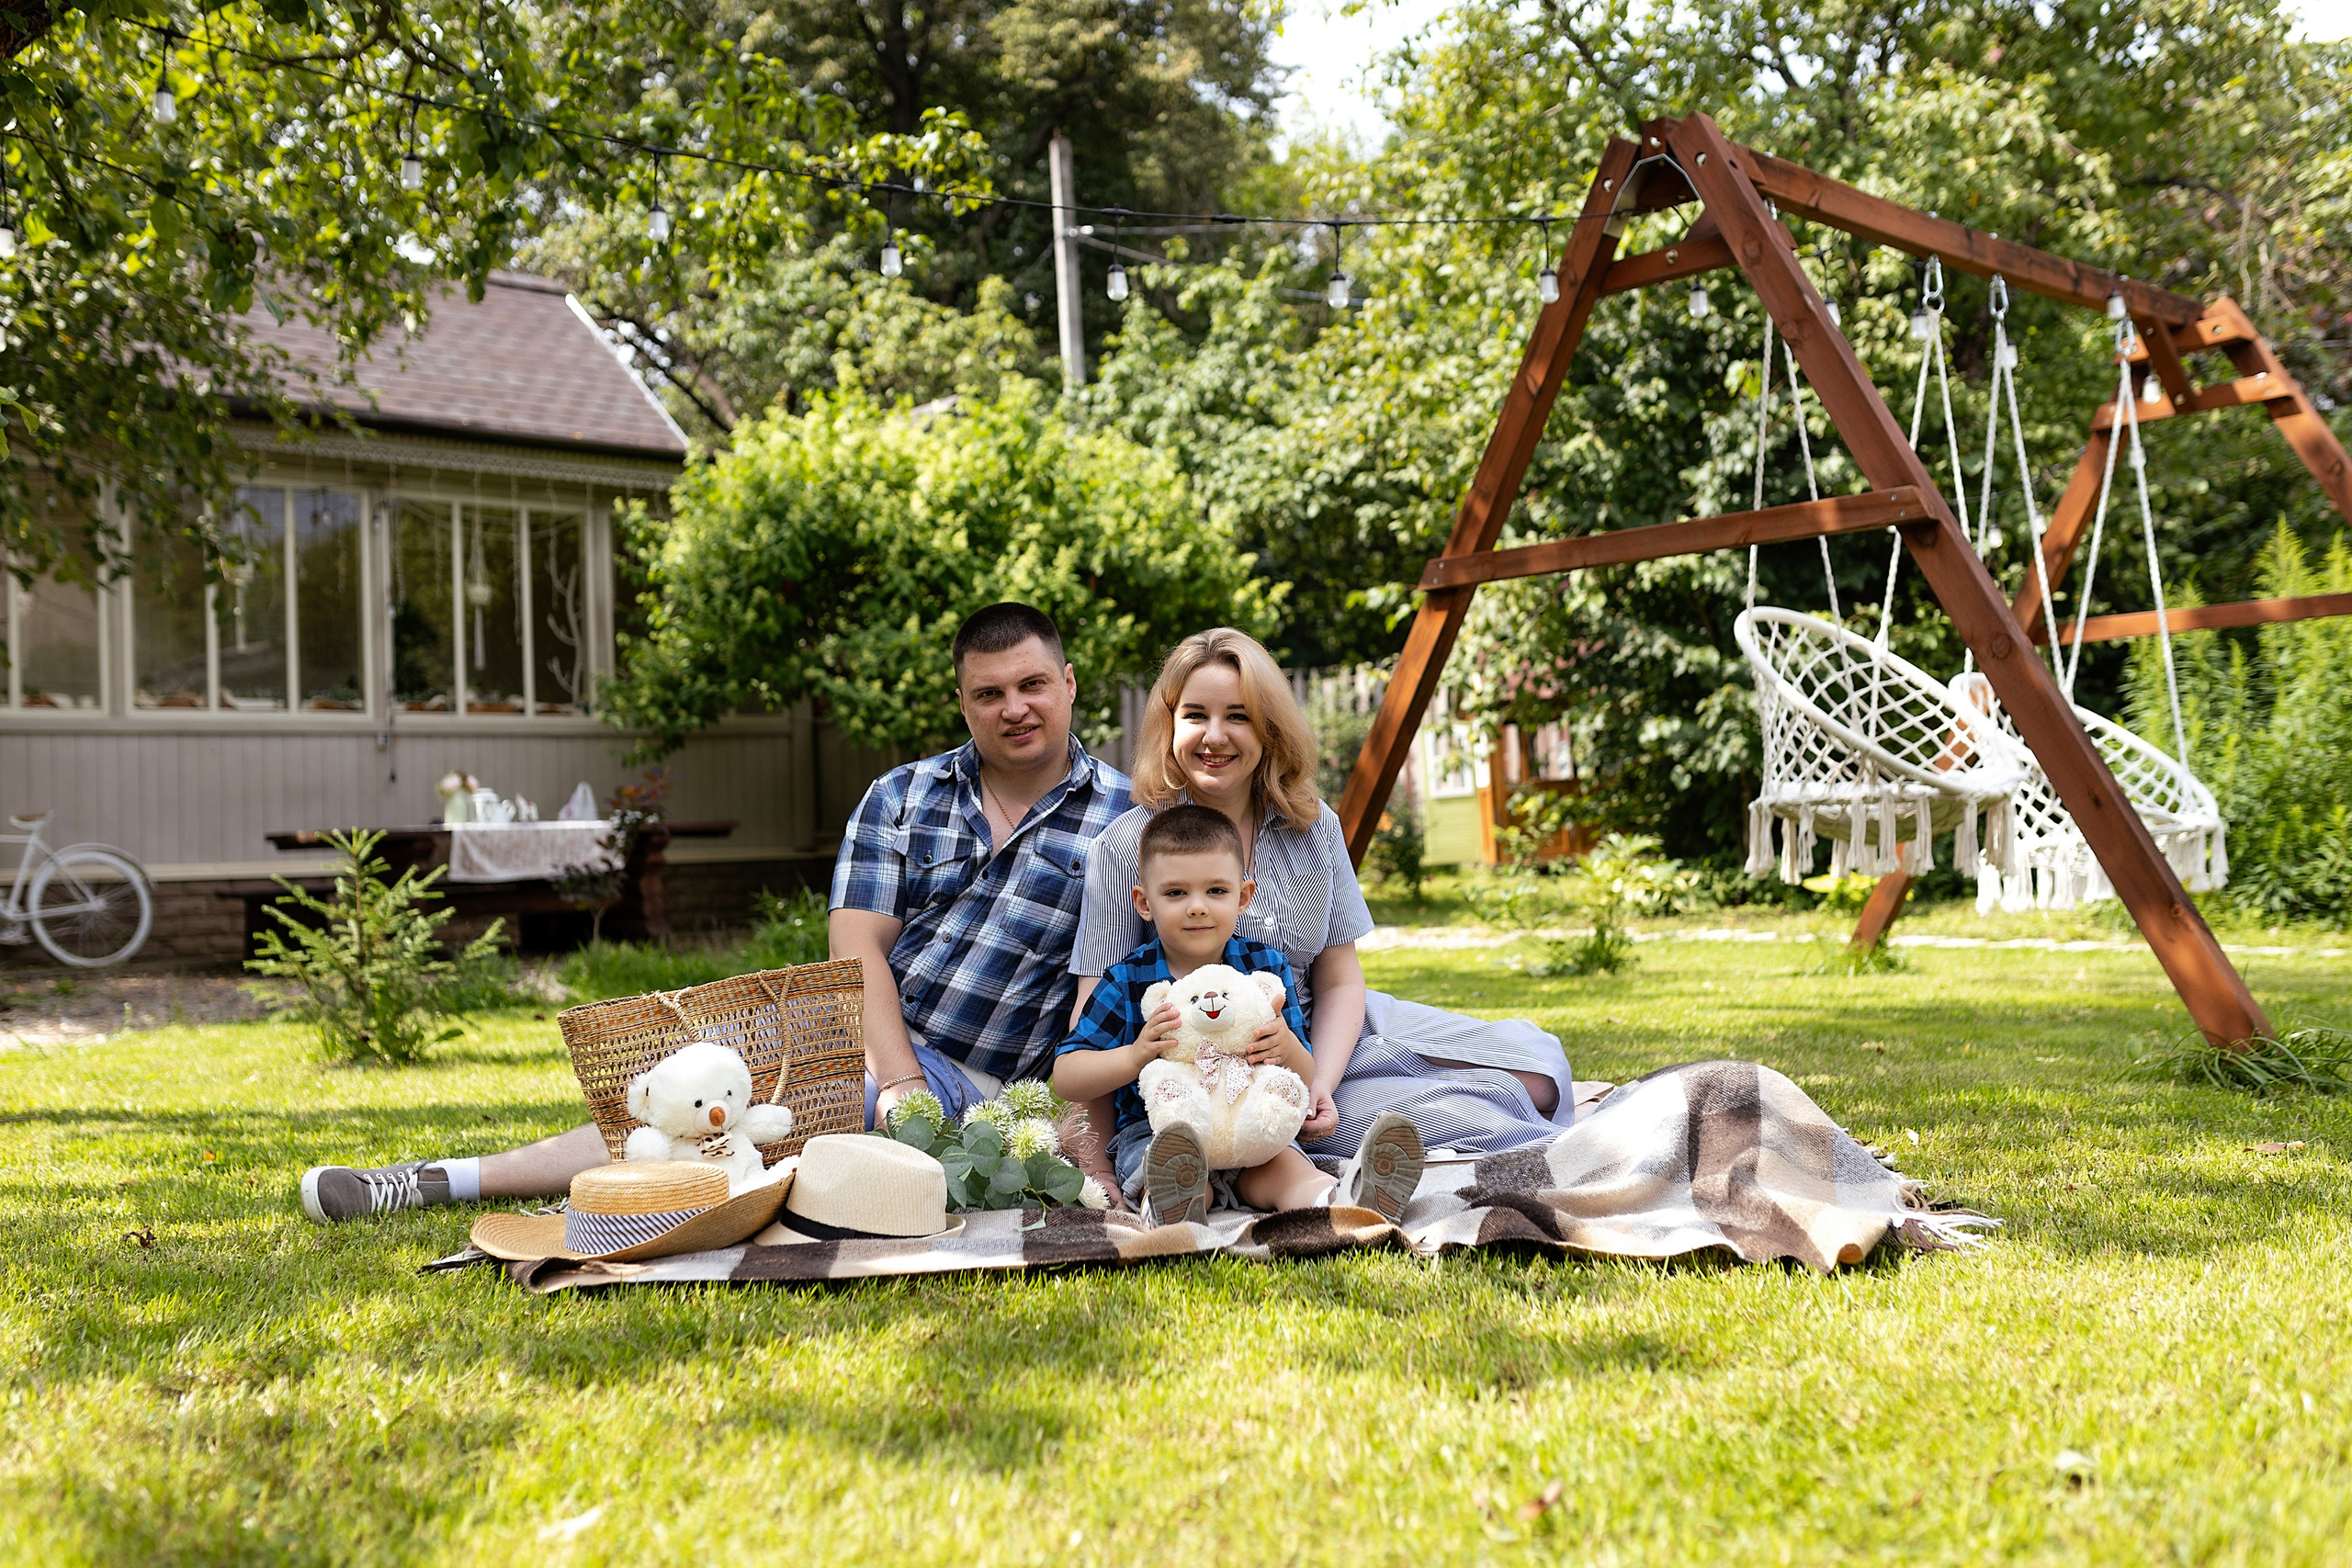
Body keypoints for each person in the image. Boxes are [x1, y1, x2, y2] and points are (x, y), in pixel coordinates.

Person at [300, 602, 1132, 1223]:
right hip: (860, 1032)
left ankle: (543, 1204)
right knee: (696, 1087)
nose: (1014, 708)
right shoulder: (903, 794)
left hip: (984, 1076)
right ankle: (446, 1177)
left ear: (1066, 684)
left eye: (1032, 685)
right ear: (962, 702)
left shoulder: (1123, 822)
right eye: (990, 693)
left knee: (772, 1113)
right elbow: (855, 954)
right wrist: (899, 1077)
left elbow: (1104, 995)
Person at [1070, 627, 1577, 1169]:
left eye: (1238, 716)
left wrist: (1321, 1084)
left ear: (1269, 729)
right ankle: (1403, 1121)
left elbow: (1338, 977)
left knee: (1539, 1071)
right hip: (1232, 1071)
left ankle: (1382, 1090)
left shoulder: (1311, 825)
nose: (1214, 736)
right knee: (1483, 1118)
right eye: (1195, 715)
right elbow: (1092, 1015)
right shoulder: (1126, 847)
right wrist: (1092, 1157)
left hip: (1339, 1034)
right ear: (1170, 726)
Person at [1052, 804, 1425, 1224]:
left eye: (1216, 891)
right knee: (1170, 1166)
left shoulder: (1265, 971)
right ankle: (1176, 1208)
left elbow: (1302, 1073)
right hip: (1162, 1131)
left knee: (1290, 1170)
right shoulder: (1128, 981)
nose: (1197, 907)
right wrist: (1135, 1055)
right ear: (1144, 902)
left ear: (1243, 896)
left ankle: (1345, 1204)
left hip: (1254, 1126)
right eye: (1175, 893)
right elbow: (1067, 1076)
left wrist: (1285, 1046)